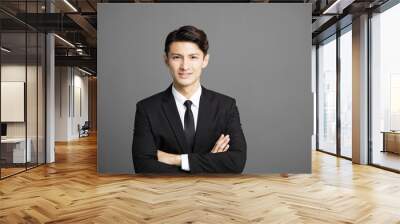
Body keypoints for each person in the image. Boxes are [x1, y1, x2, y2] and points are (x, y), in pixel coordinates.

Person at [132, 25, 246, 173]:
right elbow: (143, 166)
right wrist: (209, 162)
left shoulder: (226, 106)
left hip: (214, 193)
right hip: (167, 194)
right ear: (166, 60)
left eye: (193, 57)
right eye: (176, 57)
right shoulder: (147, 108)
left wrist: (177, 159)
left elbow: (236, 162)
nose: (185, 66)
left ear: (205, 60)